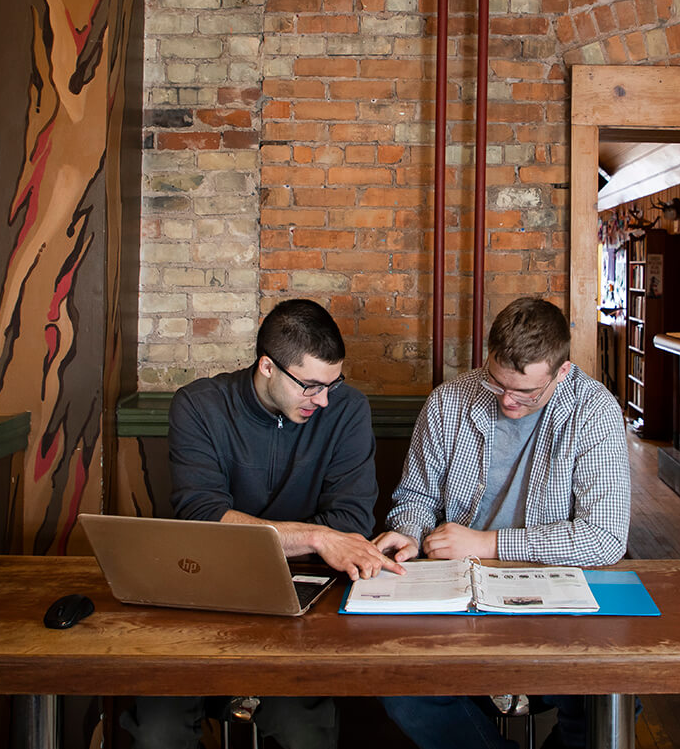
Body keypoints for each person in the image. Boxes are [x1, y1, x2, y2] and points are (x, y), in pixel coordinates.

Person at [122, 298, 403, 749]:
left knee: (304, 733)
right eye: (310, 386)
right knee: (158, 731)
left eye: (333, 383)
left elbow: (349, 522)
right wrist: (313, 535)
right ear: (268, 366)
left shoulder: (347, 409)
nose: (324, 399)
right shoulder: (199, 406)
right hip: (201, 598)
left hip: (306, 604)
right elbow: (202, 517)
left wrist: (273, 534)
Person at [373, 297, 631, 749]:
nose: (508, 400)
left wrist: (487, 543)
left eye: (526, 392)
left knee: (610, 695)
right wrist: (409, 531)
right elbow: (415, 497)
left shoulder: (595, 411)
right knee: (401, 688)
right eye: (496, 382)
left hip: (553, 596)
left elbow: (605, 538)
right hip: (455, 592)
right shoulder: (448, 401)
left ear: (561, 373)